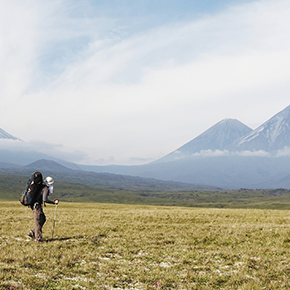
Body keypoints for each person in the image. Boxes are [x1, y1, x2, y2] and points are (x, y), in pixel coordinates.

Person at [28, 176, 59, 242]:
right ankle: (38, 238)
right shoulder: (46, 189)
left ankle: (32, 232)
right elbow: (44, 199)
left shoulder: (41, 187)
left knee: (42, 219)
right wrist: (53, 202)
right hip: (37, 206)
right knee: (38, 221)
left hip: (35, 205)